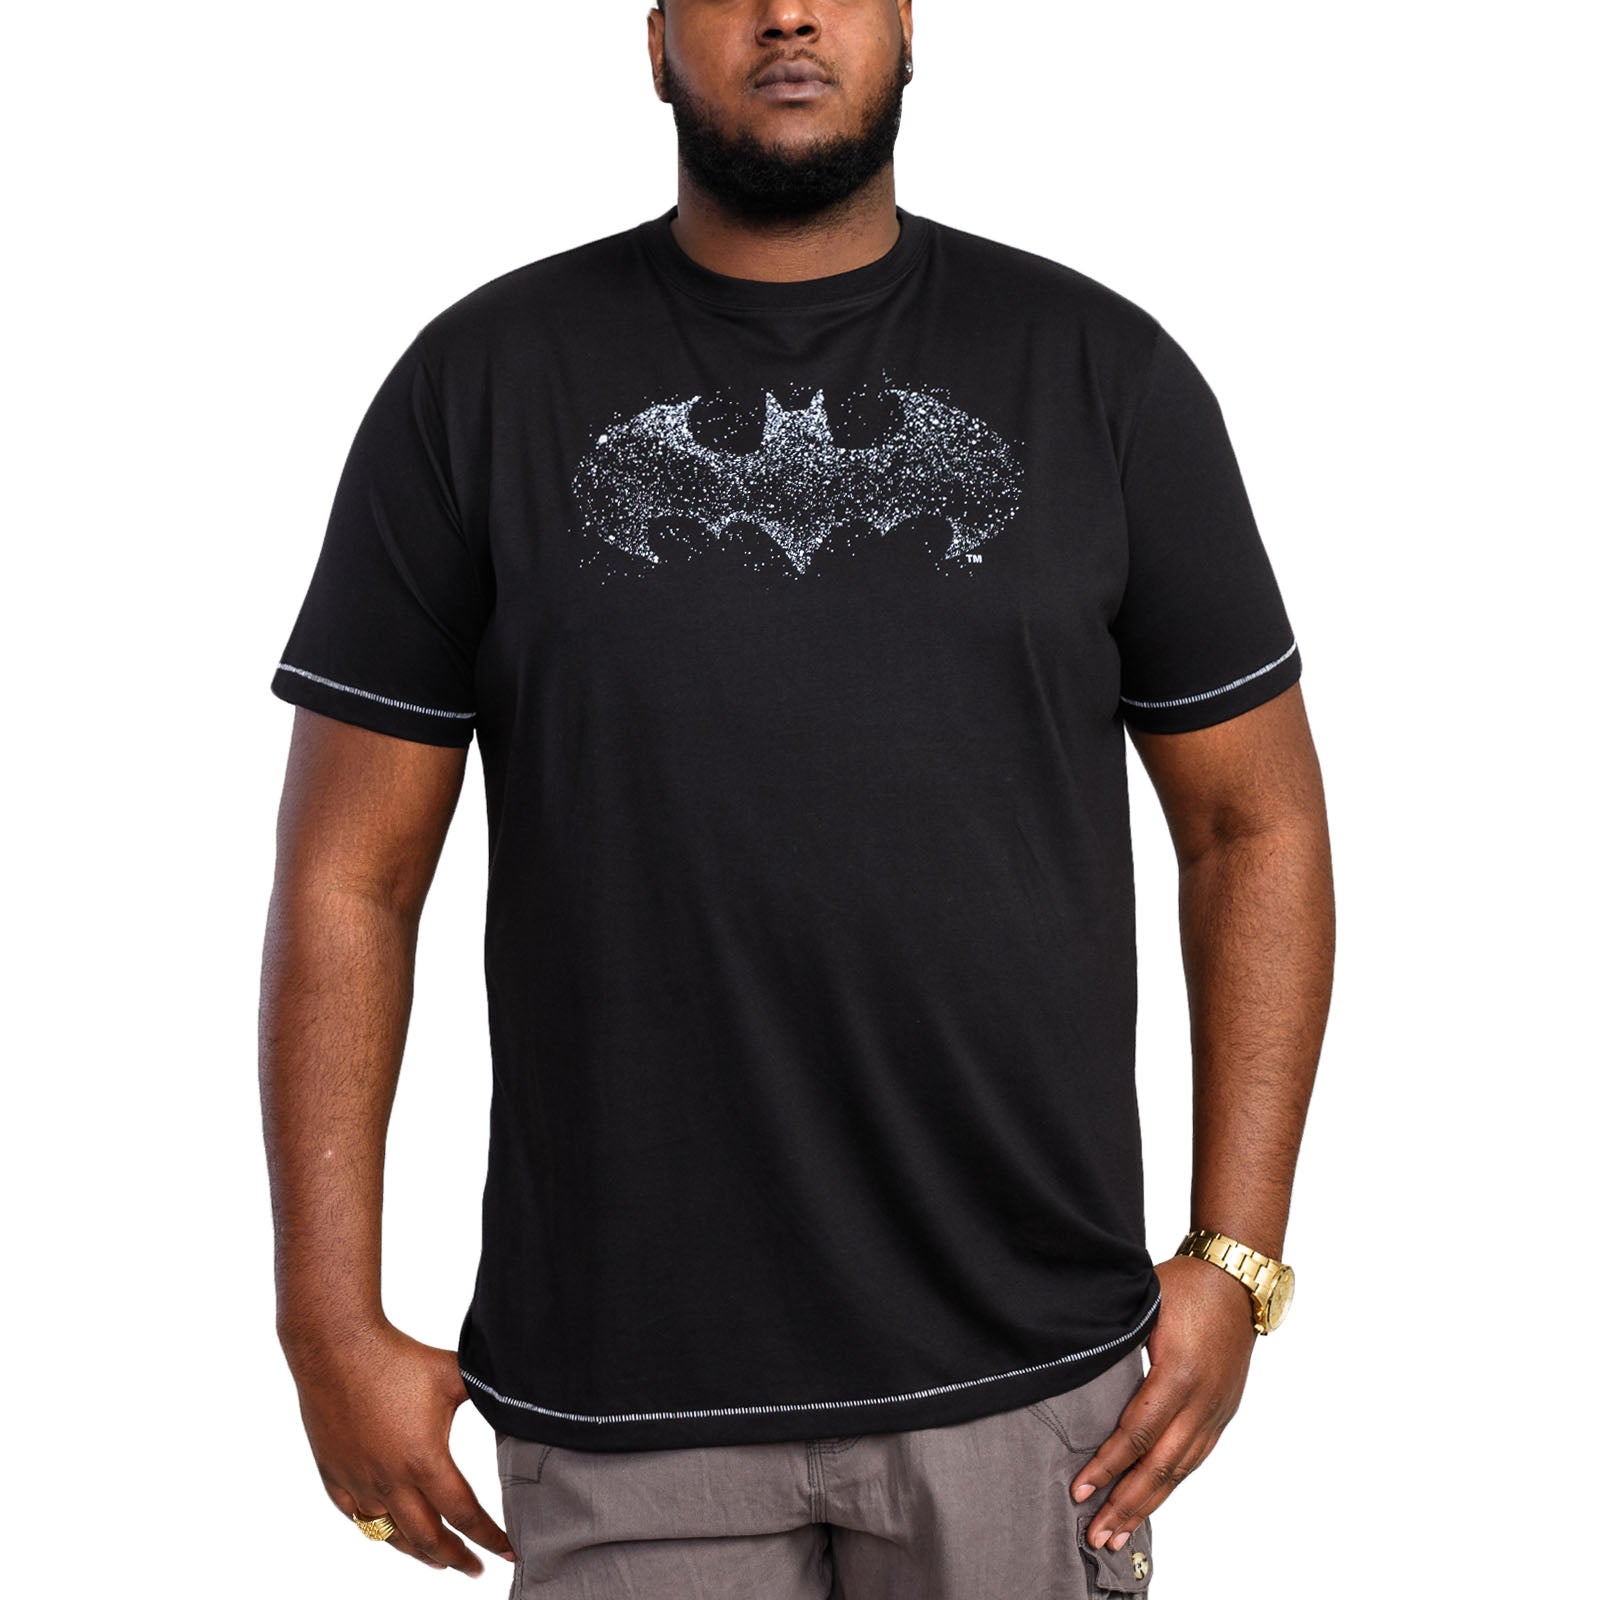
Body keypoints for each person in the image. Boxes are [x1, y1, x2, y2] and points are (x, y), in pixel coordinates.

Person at [259, 2, 1335, 1594]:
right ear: (654, 40)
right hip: (624, 1388)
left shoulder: (1097, 374)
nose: (787, 12)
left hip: (1027, 1377)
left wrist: (1236, 1258)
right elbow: (349, 878)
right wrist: (324, 1317)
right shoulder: (484, 381)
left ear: (906, 26)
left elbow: (1257, 825)